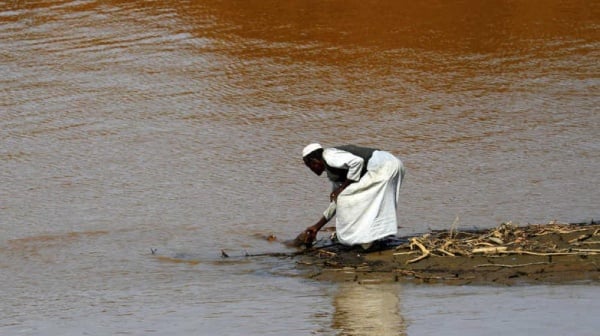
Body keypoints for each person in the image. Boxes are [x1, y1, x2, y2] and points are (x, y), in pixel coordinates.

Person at [299, 143, 405, 248]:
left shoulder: (328, 155)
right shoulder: (335, 173)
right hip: (392, 164)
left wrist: (342, 188)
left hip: (383, 166)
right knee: (356, 199)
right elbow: (336, 202)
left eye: (310, 167)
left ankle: (363, 239)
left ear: (314, 161)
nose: (311, 170)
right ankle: (372, 237)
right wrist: (317, 227)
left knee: (346, 198)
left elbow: (357, 162)